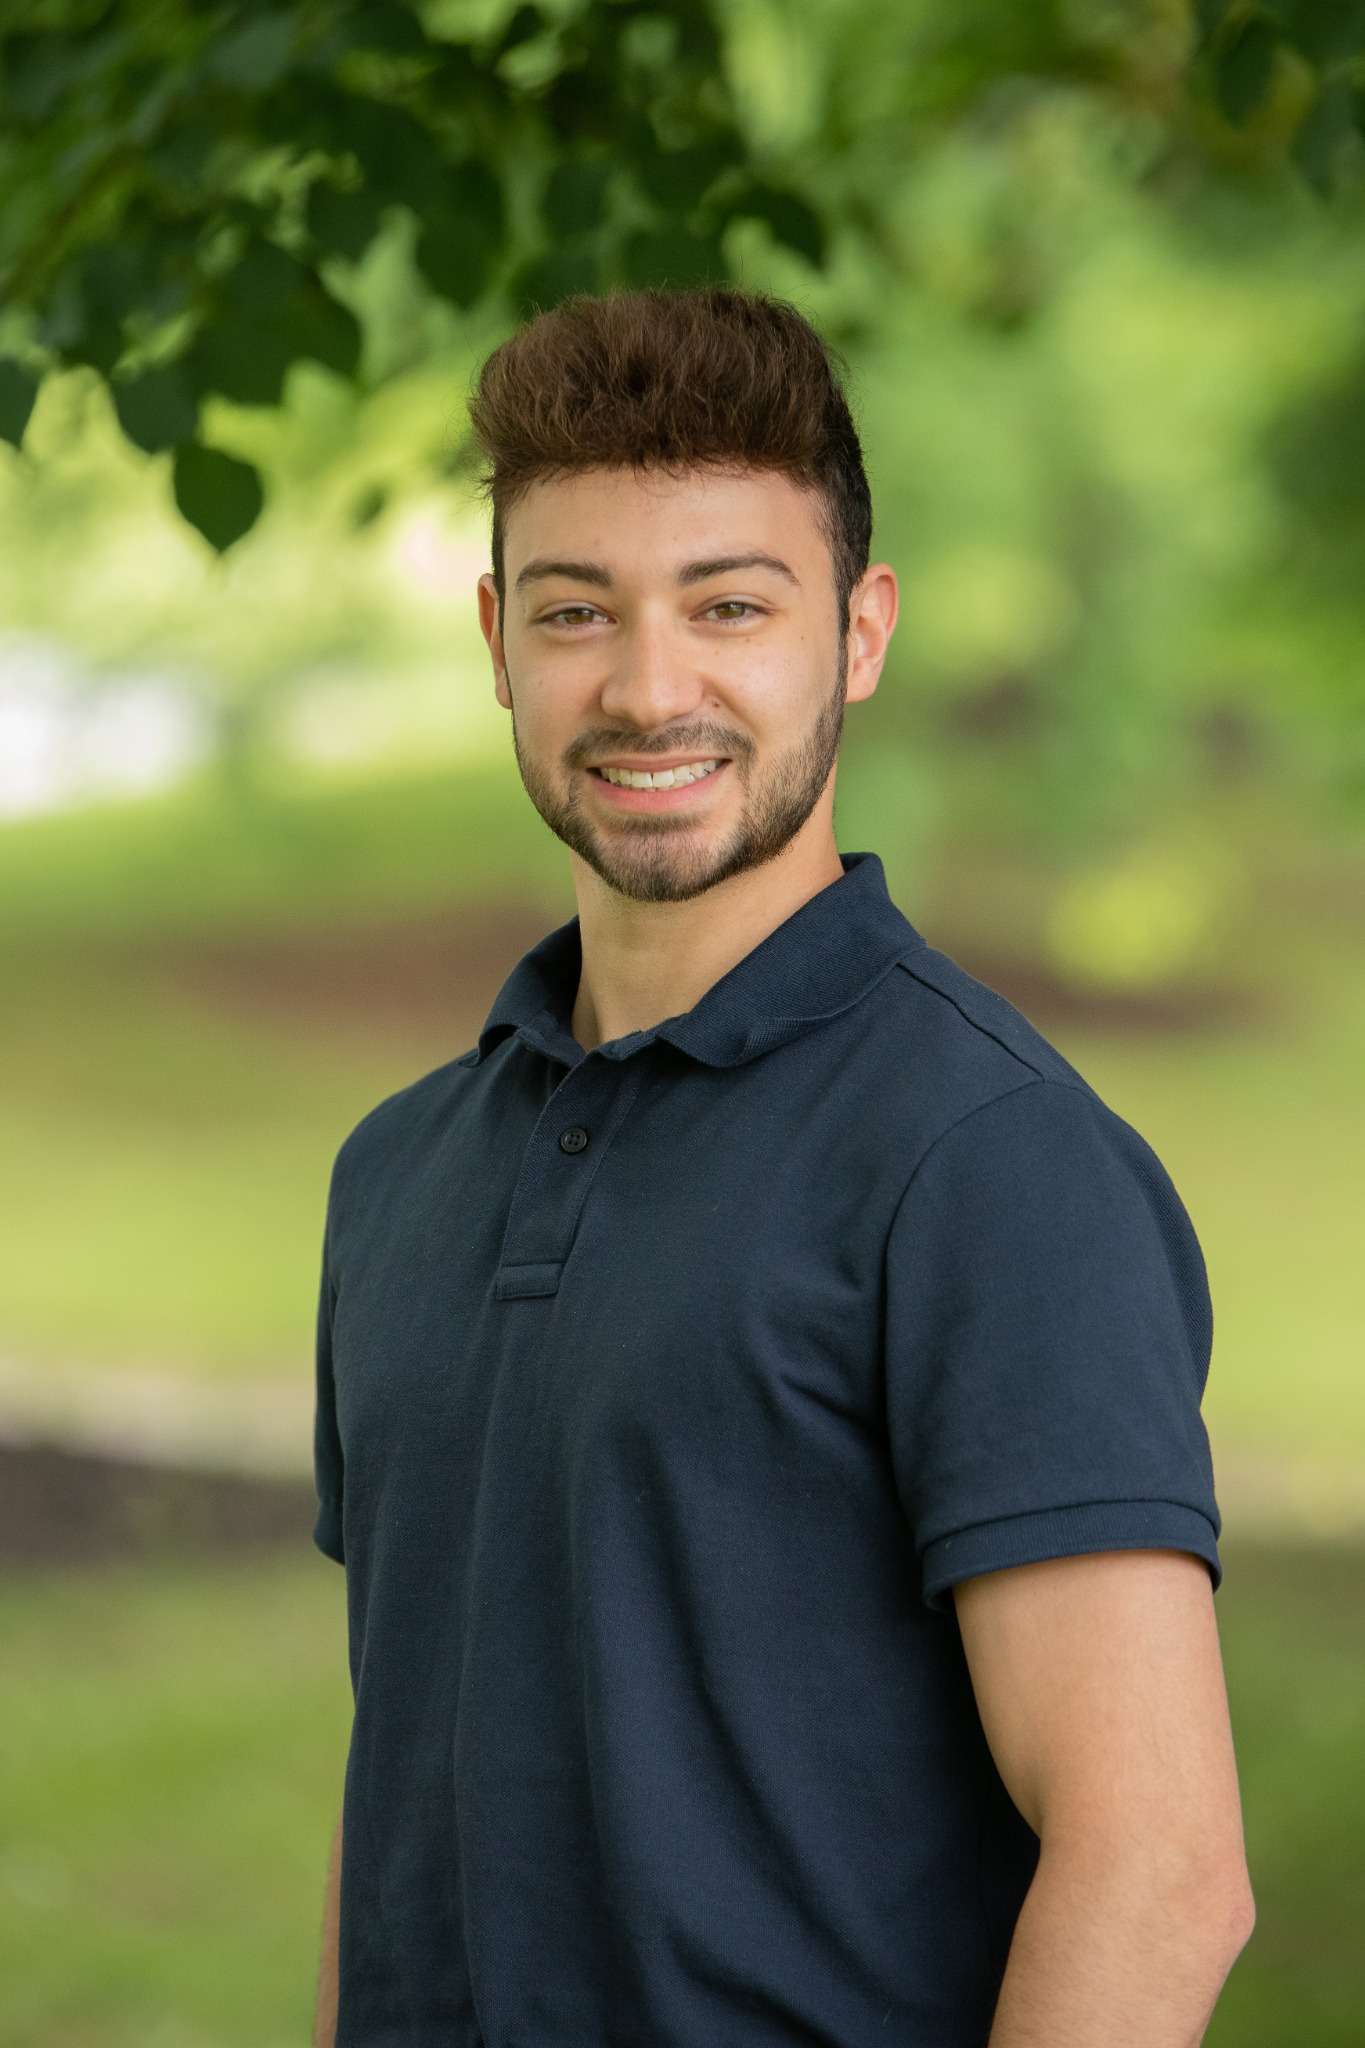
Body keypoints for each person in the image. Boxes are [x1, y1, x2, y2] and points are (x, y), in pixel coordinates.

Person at [310, 285, 1254, 2046]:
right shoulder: (399, 1174)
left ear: (859, 632)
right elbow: (400, 1802)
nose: (649, 688)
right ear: (499, 639)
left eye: (730, 605)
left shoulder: (990, 1163)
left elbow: (1158, 1867)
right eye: (580, 611)